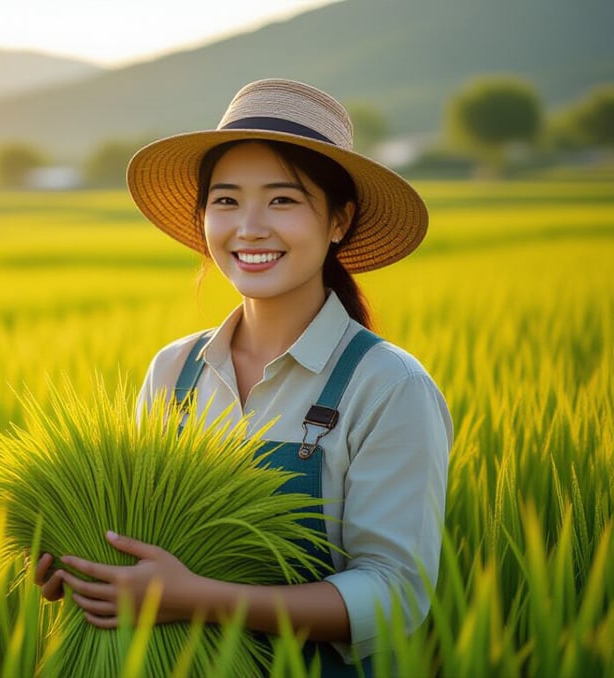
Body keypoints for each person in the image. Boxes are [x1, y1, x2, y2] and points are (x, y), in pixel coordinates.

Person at [33, 79, 452, 674]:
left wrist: (196, 599)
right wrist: (86, 571)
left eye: (282, 200)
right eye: (225, 201)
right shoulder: (174, 370)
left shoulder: (388, 386)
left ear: (339, 221)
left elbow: (395, 596)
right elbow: (136, 538)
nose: (249, 227)